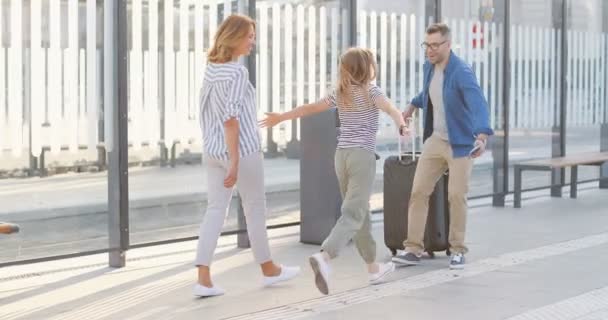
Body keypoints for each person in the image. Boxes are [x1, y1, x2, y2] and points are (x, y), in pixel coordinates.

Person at [261, 47, 406, 295]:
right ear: (368, 67)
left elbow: (308, 109)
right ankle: (325, 256)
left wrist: (281, 117)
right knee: (353, 212)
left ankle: (373, 268)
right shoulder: (371, 91)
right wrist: (401, 123)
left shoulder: (341, 93)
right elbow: (391, 108)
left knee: (360, 214)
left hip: (341, 156)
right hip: (361, 156)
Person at [194, 14, 300, 298]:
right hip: (240, 150)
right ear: (235, 37)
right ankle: (269, 269)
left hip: (212, 150)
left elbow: (209, 114)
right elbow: (231, 119)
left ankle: (203, 279)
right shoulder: (237, 72)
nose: (253, 42)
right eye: (249, 36)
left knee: (215, 210)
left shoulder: (211, 69)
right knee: (255, 209)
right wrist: (236, 161)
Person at [392, 23, 493, 270]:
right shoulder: (429, 67)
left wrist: (481, 136)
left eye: (435, 45)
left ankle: (457, 250)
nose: (429, 50)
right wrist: (412, 106)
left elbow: (478, 104)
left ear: (448, 45)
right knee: (418, 192)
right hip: (436, 140)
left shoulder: (462, 72)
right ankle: (413, 249)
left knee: (456, 196)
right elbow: (428, 92)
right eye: (427, 45)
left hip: (461, 143)